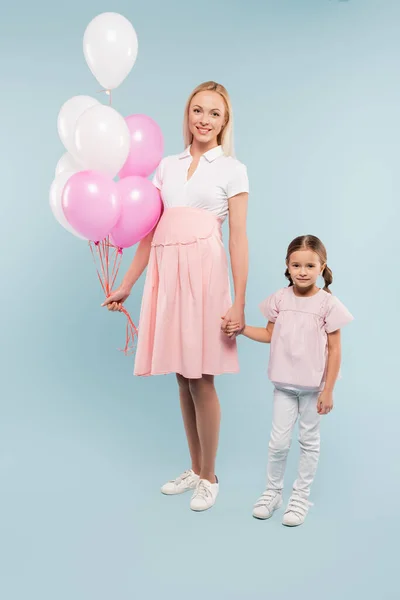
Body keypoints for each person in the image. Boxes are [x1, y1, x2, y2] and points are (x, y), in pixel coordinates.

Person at [102, 81, 249, 512]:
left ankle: (210, 476)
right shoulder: (167, 167)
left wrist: (238, 301)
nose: (204, 119)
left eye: (214, 114)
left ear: (225, 122)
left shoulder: (232, 169)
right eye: (197, 111)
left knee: (202, 376)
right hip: (168, 274)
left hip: (204, 277)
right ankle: (194, 466)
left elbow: (238, 238)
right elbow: (150, 232)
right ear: (188, 115)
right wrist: (127, 283)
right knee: (182, 377)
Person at [225, 235, 353, 526]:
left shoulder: (327, 304)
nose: (303, 271)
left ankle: (300, 496)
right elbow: (270, 335)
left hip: (313, 389)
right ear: (287, 265)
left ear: (322, 267)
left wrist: (328, 390)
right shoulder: (280, 299)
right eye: (296, 265)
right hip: (283, 385)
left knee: (308, 441)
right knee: (278, 443)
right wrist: (242, 329)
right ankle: (273, 492)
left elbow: (335, 350)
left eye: (310, 265)